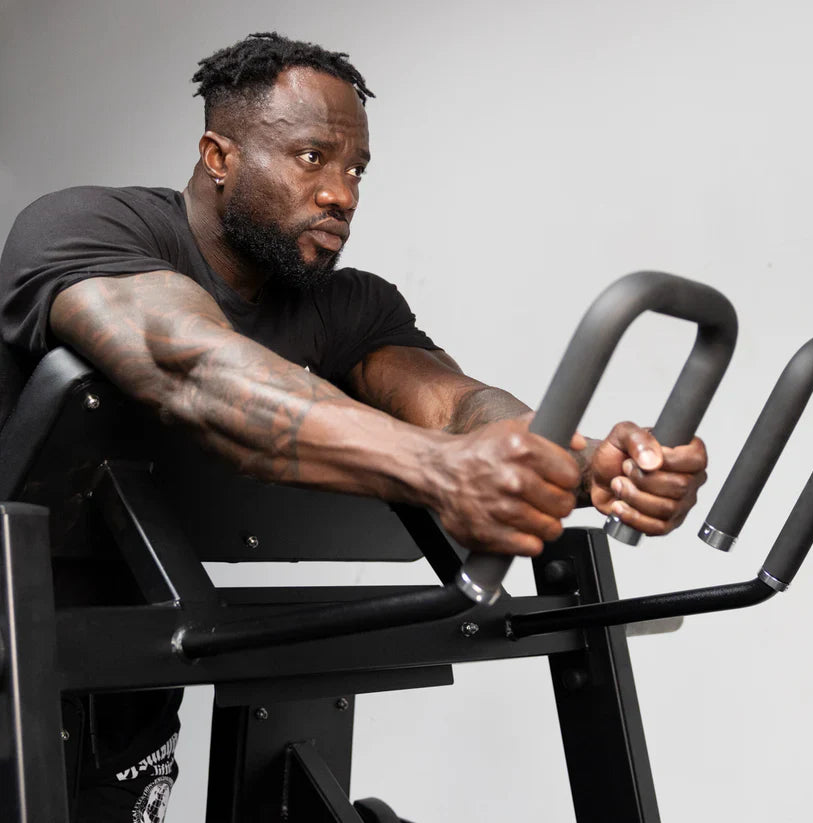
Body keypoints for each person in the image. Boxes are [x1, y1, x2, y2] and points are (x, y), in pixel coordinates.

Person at [0, 31, 707, 823]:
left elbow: (458, 407)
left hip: (119, 680)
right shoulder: (84, 227)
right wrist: (439, 469)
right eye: (312, 158)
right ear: (218, 156)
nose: (342, 194)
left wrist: (585, 463)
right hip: (19, 639)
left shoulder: (348, 305)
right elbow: (191, 364)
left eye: (356, 169)